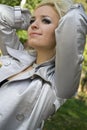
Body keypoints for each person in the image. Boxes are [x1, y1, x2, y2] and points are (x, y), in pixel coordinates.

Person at [0, 0, 87, 130]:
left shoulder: (59, 83)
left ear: (61, 31)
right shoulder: (19, 57)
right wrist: (28, 19)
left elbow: (75, 19)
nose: (34, 25)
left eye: (46, 21)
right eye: (32, 21)